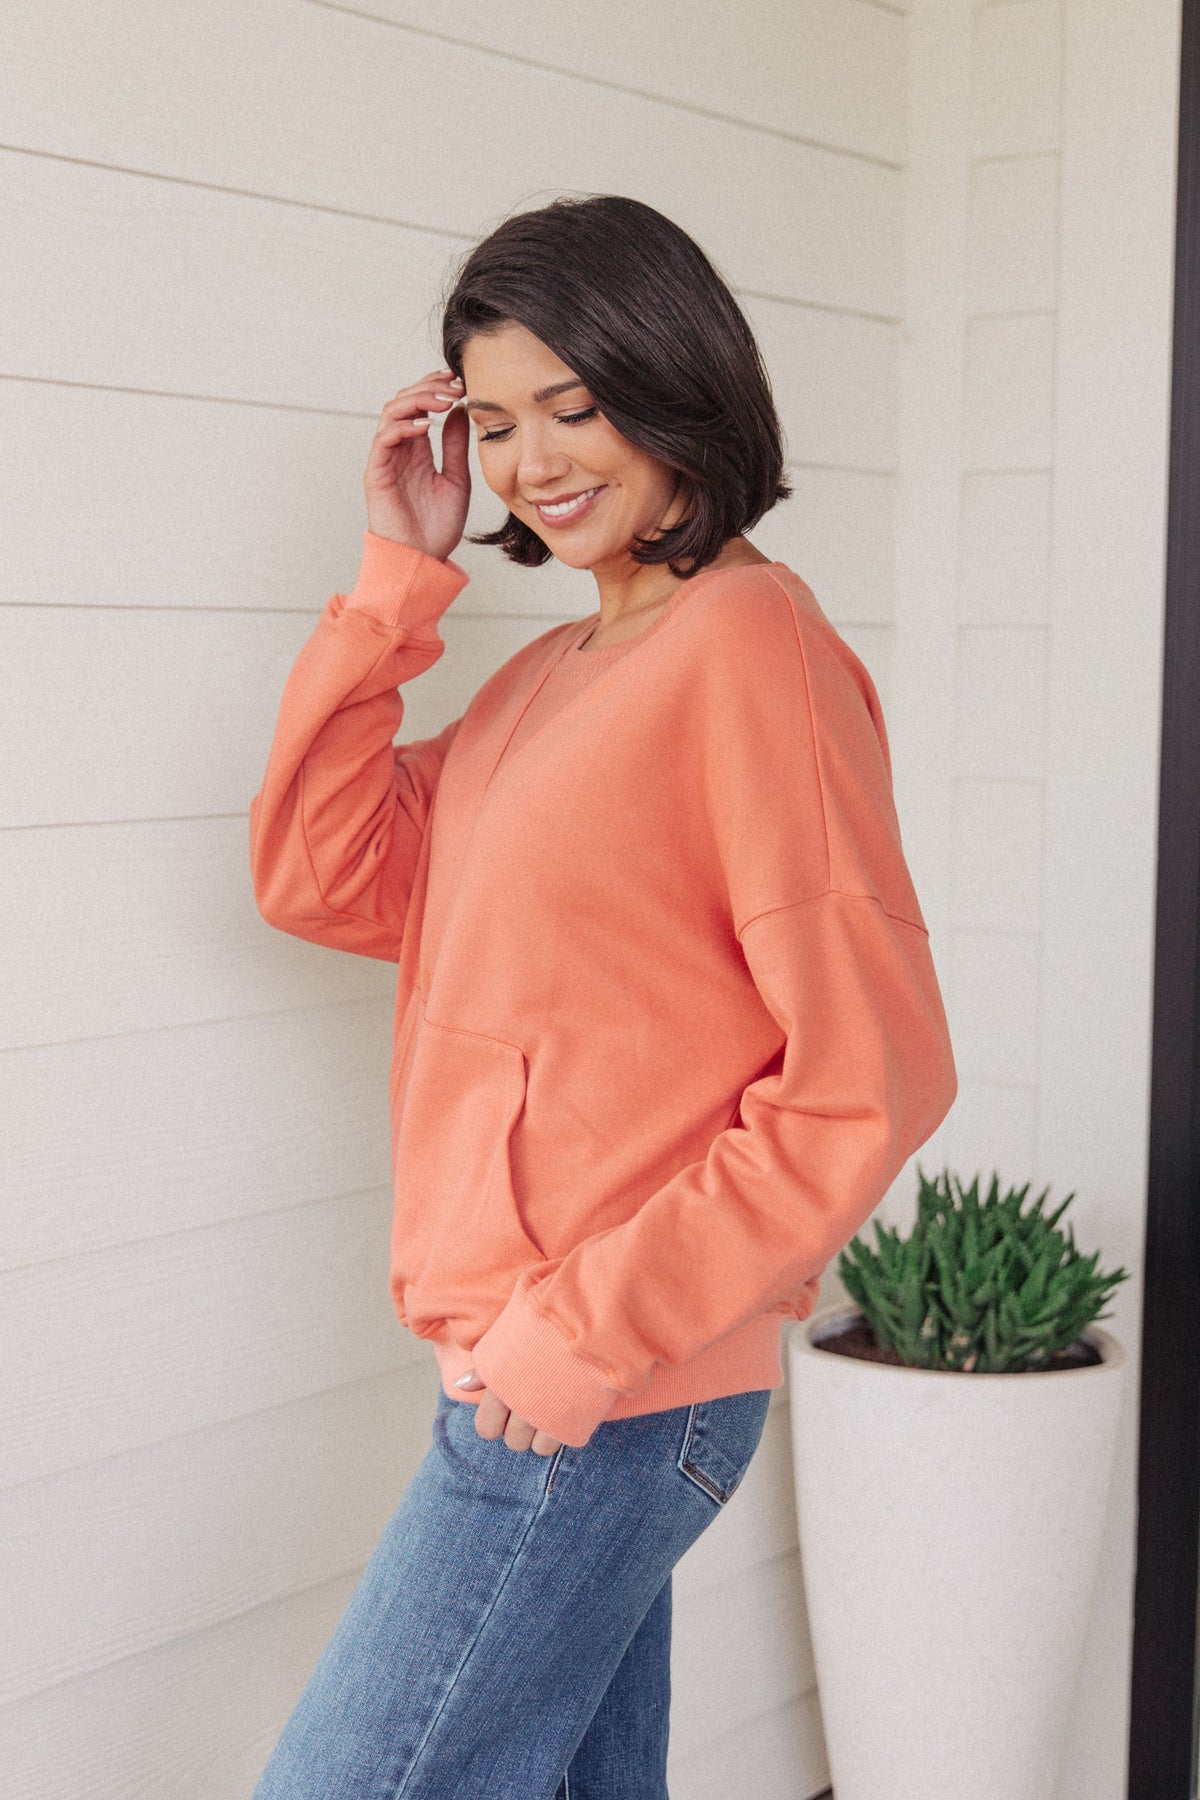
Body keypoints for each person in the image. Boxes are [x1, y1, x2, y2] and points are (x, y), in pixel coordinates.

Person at [247, 193, 958, 1799]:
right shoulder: (543, 681)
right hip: (533, 1365)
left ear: (674, 377)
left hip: (601, 1385)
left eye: (574, 406)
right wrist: (398, 577)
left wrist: (575, 1338)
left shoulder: (753, 648)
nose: (533, 463)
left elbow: (874, 1072)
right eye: (497, 422)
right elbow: (322, 872)